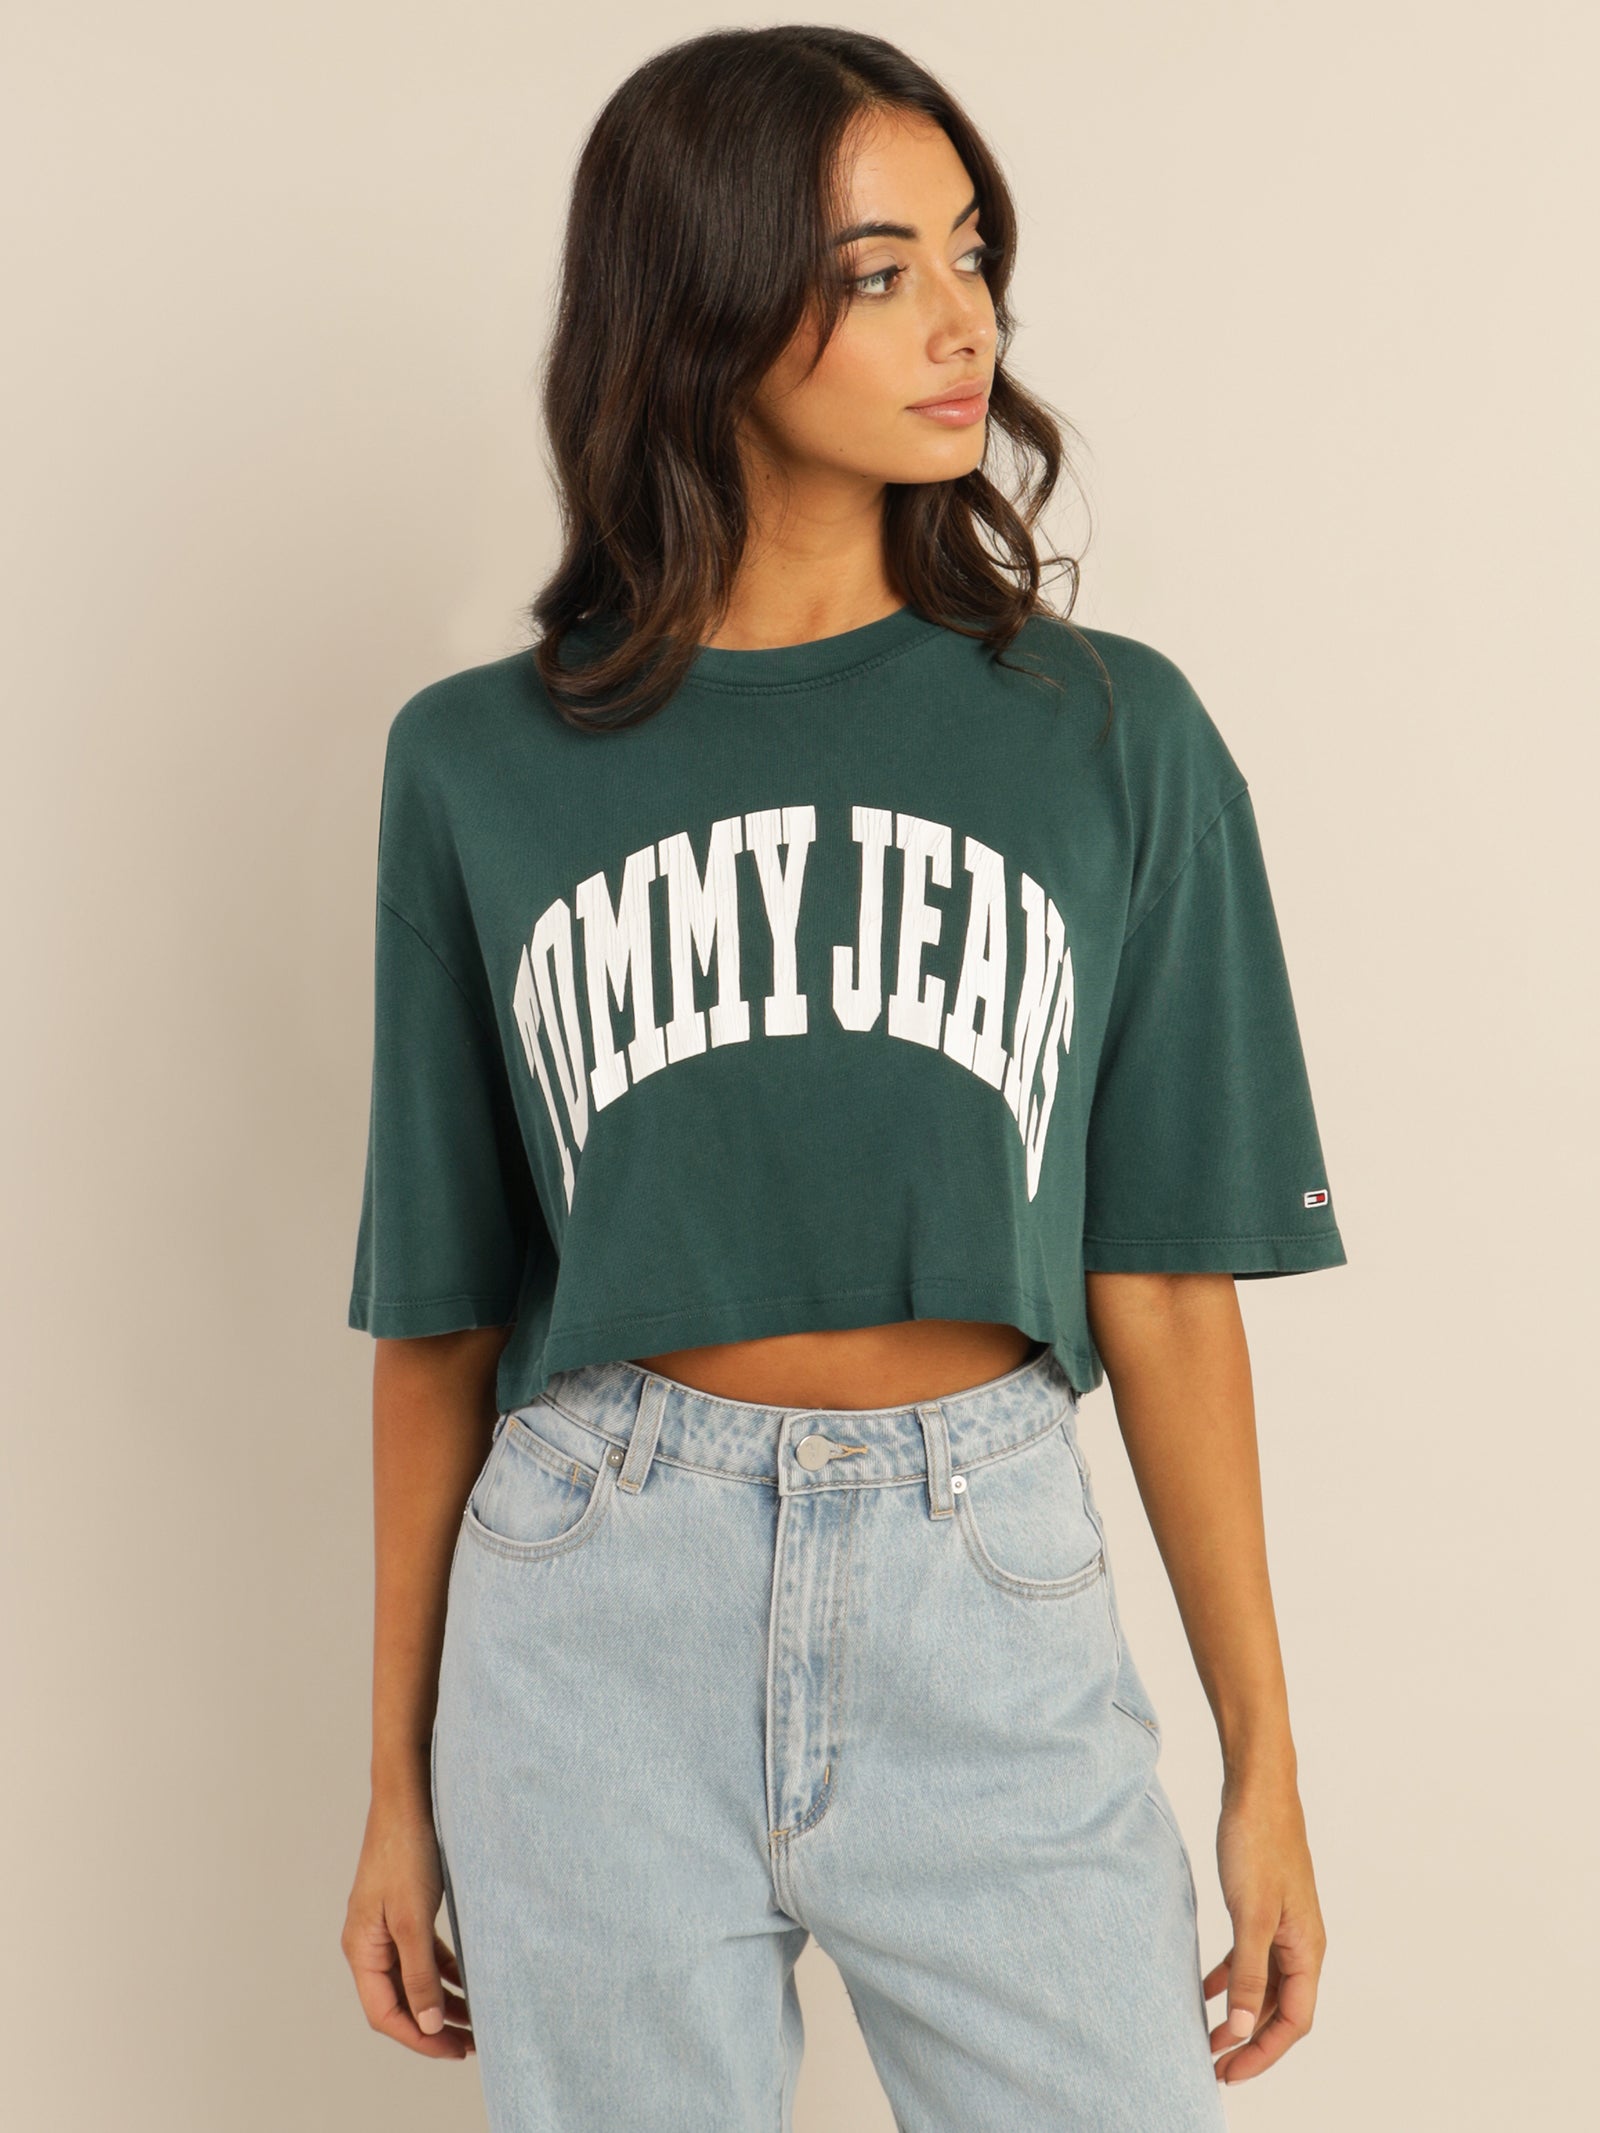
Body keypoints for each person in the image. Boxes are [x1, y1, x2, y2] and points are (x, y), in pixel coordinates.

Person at [340, 26, 1343, 2132]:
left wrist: (1262, 1760)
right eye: (879, 272)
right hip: (588, 1595)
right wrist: (391, 1788)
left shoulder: (1111, 736)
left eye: (969, 253)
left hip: (985, 1578)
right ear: (698, 303)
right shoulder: (477, 763)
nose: (962, 320)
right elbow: (439, 1312)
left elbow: (1164, 1279)